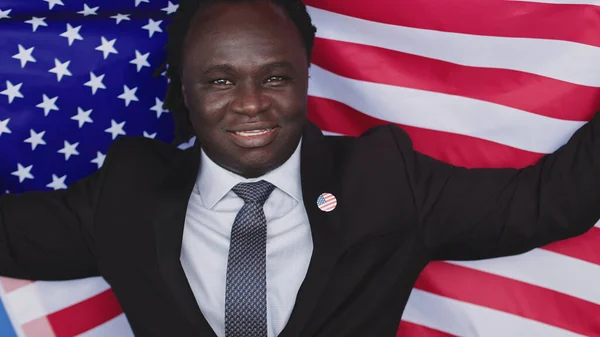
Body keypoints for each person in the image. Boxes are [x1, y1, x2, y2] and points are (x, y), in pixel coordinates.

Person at [0, 0, 598, 336]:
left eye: (275, 77)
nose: (252, 102)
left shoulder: (383, 182)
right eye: (219, 81)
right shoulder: (125, 192)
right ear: (183, 91)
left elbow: (549, 202)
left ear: (307, 78)